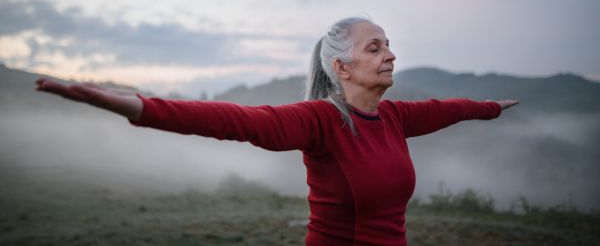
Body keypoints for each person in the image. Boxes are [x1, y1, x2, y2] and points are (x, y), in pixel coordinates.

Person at [35, 16, 518, 245]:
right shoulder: (323, 121)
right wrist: (136, 106)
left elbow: (449, 108)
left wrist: (490, 107)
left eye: (389, 44)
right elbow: (237, 122)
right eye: (374, 48)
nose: (390, 53)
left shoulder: (395, 118)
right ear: (342, 68)